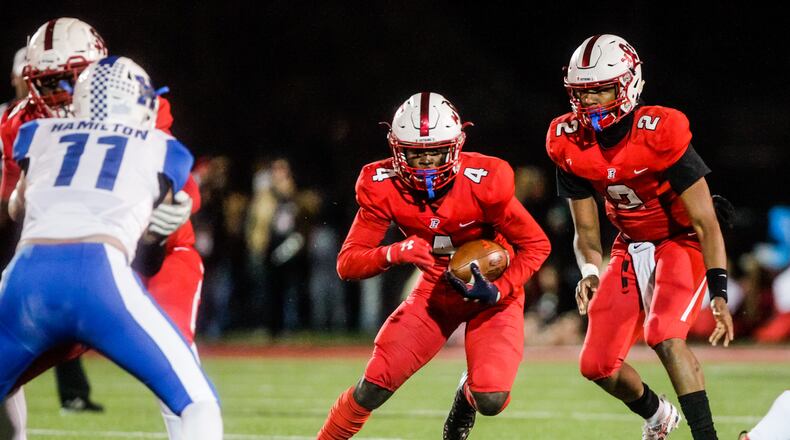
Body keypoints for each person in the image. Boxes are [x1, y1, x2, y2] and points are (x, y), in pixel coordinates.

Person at [0, 18, 203, 440]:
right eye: (51, 83)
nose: (63, 94)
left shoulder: (137, 101)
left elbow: (178, 179)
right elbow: (15, 206)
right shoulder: (21, 125)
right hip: (75, 261)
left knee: (178, 373)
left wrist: (178, 206)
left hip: (155, 255)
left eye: (71, 80)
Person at [316, 92, 551, 439]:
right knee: (374, 385)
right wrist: (395, 252)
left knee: (492, 397)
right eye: (415, 153)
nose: (426, 165)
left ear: (456, 146)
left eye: (435, 153)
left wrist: (500, 288)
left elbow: (536, 244)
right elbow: (347, 264)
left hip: (491, 293)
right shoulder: (380, 185)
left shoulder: (486, 180)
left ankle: (466, 397)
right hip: (435, 291)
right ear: (397, 149)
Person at [546, 34, 734, 440]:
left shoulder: (660, 130)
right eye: (583, 92)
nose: (592, 101)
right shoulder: (567, 141)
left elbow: (706, 221)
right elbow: (586, 232)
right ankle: (656, 414)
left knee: (664, 334)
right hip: (628, 245)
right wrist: (590, 271)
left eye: (601, 89)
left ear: (628, 84)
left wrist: (719, 290)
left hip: (679, 239)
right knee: (596, 365)